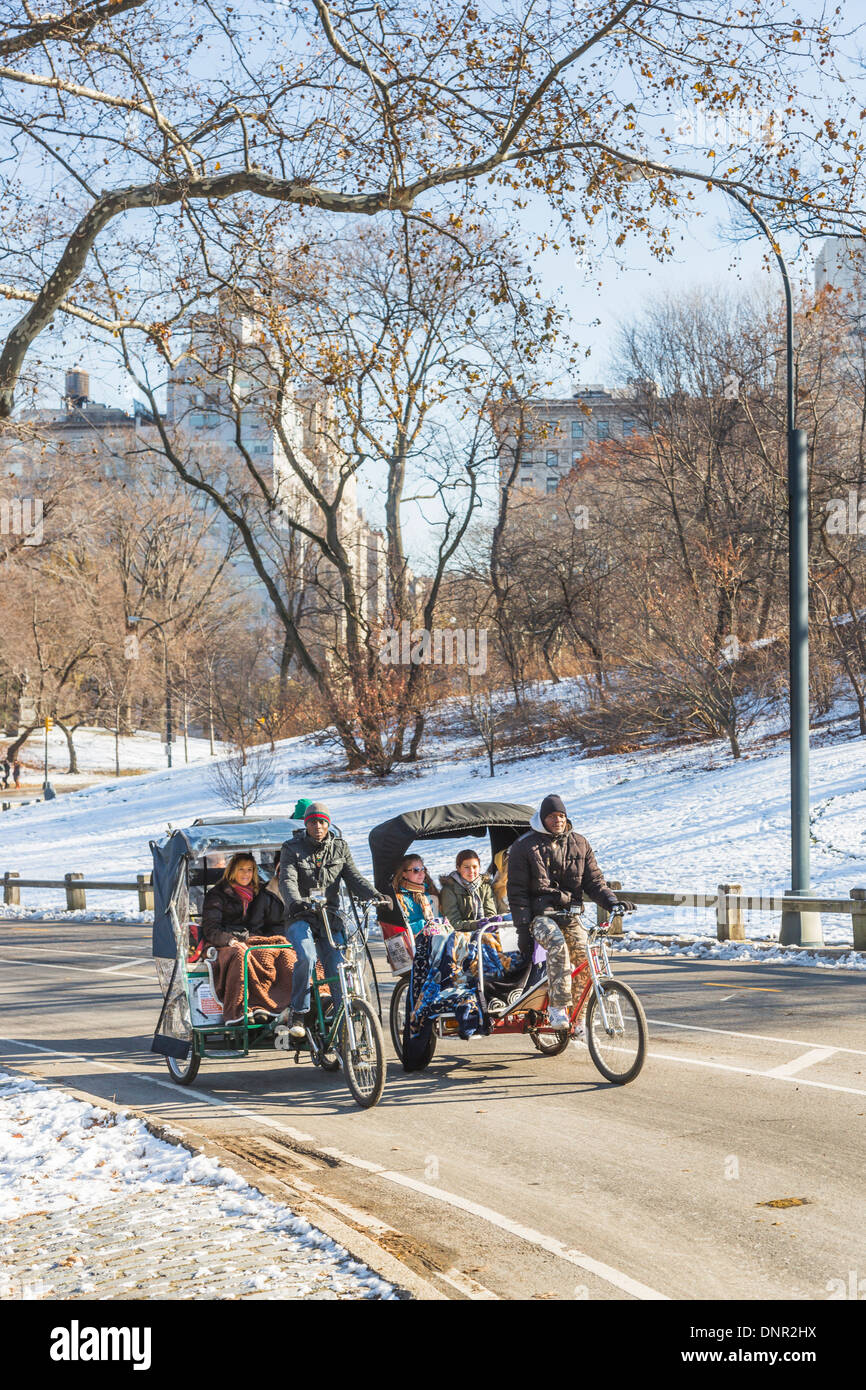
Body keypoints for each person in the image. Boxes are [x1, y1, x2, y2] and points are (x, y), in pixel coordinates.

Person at [507, 795, 634, 1031]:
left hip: (570, 914)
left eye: (561, 816)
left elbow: (594, 882)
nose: (557, 820)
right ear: (543, 818)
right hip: (540, 916)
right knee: (558, 946)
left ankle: (579, 1016)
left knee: (587, 957)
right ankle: (558, 1007)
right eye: (552, 816)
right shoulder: (524, 847)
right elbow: (517, 893)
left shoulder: (580, 843)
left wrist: (612, 903)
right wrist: (523, 929)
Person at [279, 803, 383, 1039]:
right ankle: (299, 1011)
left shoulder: (339, 848)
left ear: (328, 824)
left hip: (330, 917)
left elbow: (354, 877)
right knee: (306, 956)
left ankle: (342, 1016)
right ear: (306, 824)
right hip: (300, 916)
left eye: (322, 821)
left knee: (338, 964)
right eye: (313, 822)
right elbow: (287, 880)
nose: (318, 826)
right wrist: (295, 901)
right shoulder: (292, 848)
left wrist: (374, 895)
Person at [201, 852, 294, 1025]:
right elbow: (210, 928)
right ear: (232, 871)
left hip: (249, 938)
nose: (246, 874)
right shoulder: (218, 894)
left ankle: (273, 1006)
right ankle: (239, 1009)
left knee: (282, 949)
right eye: (241, 869)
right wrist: (230, 940)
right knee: (240, 954)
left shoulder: (259, 891)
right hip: (223, 941)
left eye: (250, 870)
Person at [439, 850, 497, 930]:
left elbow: (490, 912)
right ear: (458, 868)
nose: (471, 871)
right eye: (466, 867)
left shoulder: (485, 886)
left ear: (479, 867)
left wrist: (491, 921)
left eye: (475, 867)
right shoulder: (449, 890)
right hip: (461, 935)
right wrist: (476, 925)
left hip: (485, 931)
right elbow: (453, 923)